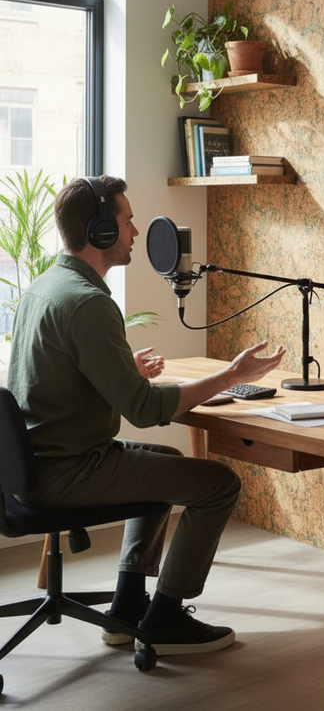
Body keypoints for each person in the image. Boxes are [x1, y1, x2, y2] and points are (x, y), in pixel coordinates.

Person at [7, 175, 286, 656]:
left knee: (163, 462)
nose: (135, 232)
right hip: (67, 471)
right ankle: (166, 619)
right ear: (99, 231)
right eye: (127, 221)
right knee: (219, 485)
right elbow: (145, 409)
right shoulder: (88, 303)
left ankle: (126, 607)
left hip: (32, 467)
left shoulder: (45, 287)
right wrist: (230, 375)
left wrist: (122, 371)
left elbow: (56, 379)